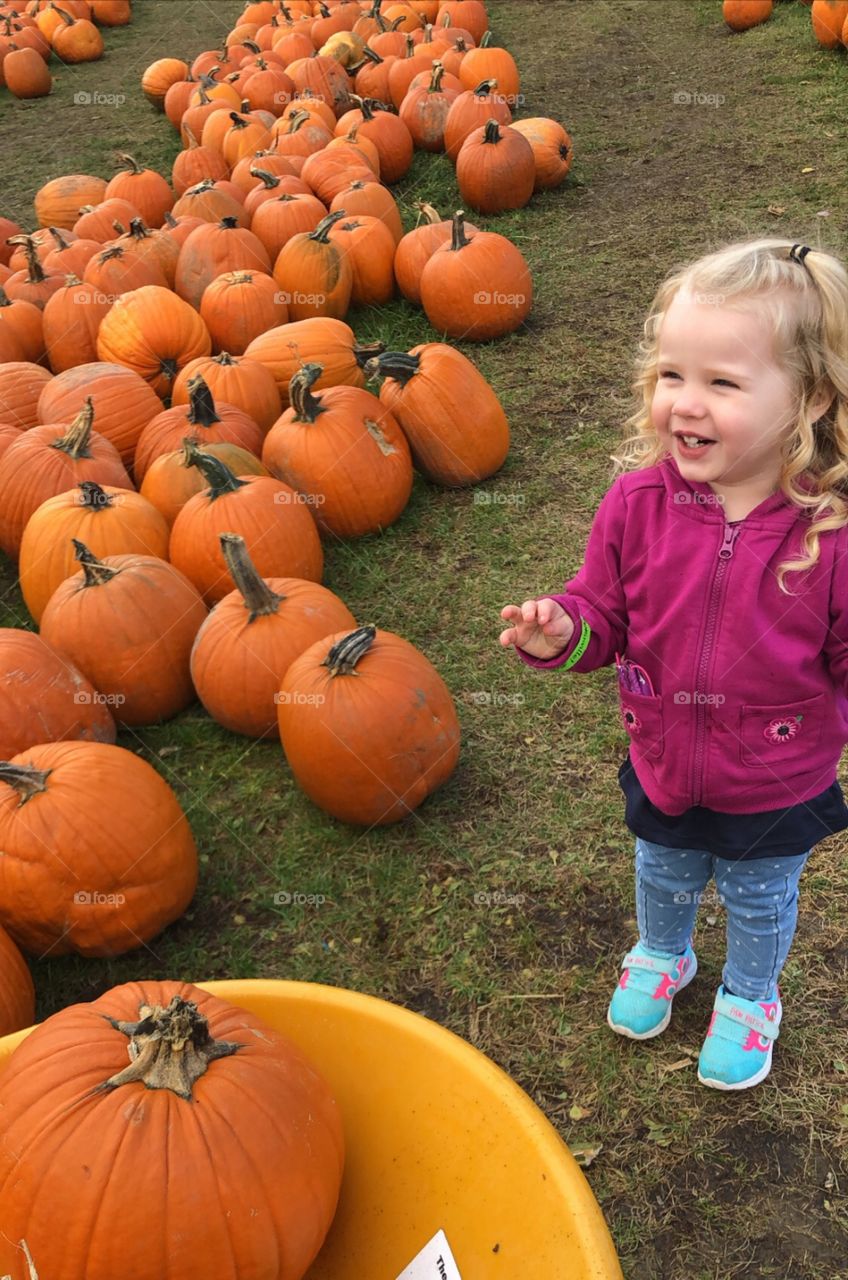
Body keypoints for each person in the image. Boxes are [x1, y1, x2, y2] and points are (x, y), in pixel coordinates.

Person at [499, 239, 848, 1090]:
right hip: (662, 757)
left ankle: (750, 993)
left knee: (760, 898)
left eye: (722, 384)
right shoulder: (638, 504)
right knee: (662, 869)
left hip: (777, 778)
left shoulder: (830, 536)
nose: (685, 404)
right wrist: (562, 631)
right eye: (671, 375)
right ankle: (663, 951)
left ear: (808, 399)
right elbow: (605, 615)